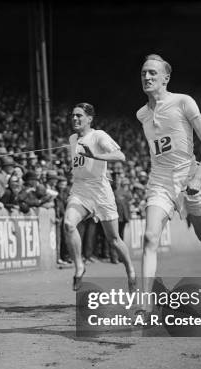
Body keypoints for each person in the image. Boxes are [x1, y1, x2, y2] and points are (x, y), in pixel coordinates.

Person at [135, 54, 201, 316]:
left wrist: (197, 178)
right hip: (160, 181)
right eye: (143, 73)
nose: (147, 77)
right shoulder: (142, 114)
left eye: (153, 73)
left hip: (188, 177)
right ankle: (144, 304)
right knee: (150, 237)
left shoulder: (183, 102)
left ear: (166, 77)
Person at [64, 102, 136, 291]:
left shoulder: (99, 135)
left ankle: (130, 270)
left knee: (114, 239)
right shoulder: (72, 139)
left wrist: (95, 156)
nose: (74, 118)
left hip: (101, 192)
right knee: (69, 224)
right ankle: (79, 266)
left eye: (79, 115)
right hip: (80, 190)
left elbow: (120, 156)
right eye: (73, 115)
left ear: (89, 118)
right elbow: (79, 164)